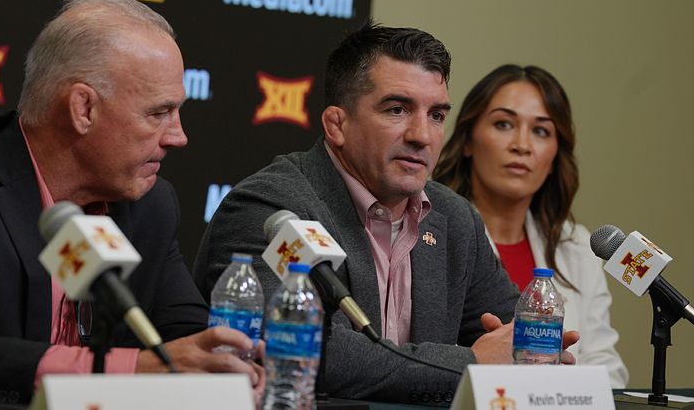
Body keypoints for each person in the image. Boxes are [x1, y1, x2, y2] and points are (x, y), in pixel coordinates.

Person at [0, 0, 262, 403]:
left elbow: (187, 338)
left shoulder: (150, 205)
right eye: (159, 113)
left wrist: (226, 364)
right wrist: (129, 370)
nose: (178, 137)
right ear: (83, 109)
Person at [193, 23, 579, 405]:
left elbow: (520, 339)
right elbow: (312, 352)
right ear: (336, 125)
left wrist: (532, 356)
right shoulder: (271, 209)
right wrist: (472, 362)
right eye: (397, 109)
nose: (422, 135)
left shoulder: (454, 219)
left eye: (437, 115)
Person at [432, 64, 628, 387]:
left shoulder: (577, 246)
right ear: (467, 141)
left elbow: (610, 371)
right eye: (504, 124)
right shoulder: (430, 231)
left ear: (554, 158)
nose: (522, 145)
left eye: (540, 131)